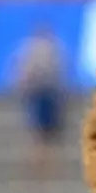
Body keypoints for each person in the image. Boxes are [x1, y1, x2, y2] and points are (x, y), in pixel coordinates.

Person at [12, 24, 67, 175]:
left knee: (40, 134)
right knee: (45, 135)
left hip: (41, 93)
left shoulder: (29, 48)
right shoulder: (52, 48)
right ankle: (43, 167)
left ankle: (40, 166)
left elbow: (20, 73)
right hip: (45, 92)